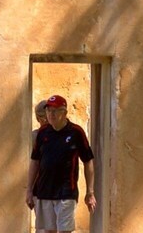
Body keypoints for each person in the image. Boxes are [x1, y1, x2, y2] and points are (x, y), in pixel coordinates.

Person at [27, 95, 95, 233]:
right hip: (44, 192)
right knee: (48, 231)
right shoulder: (42, 133)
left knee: (64, 231)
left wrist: (90, 192)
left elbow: (88, 161)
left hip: (66, 192)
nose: (51, 114)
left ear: (64, 112)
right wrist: (29, 190)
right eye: (49, 111)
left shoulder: (76, 132)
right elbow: (34, 161)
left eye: (55, 111)